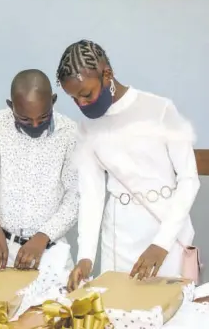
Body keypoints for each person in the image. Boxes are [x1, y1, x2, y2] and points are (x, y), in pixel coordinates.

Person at [58, 40, 200, 291]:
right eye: (73, 98)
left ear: (107, 75)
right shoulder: (85, 129)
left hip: (166, 230)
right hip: (118, 239)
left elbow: (189, 180)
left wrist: (162, 244)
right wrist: (86, 257)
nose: (81, 104)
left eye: (86, 94)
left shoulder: (160, 110)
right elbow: (91, 195)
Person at [0, 69, 79, 271]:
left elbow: (76, 196)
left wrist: (43, 236)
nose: (35, 124)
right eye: (25, 119)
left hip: (50, 251)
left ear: (53, 101)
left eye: (43, 117)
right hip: (4, 249)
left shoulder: (69, 132)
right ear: (11, 107)